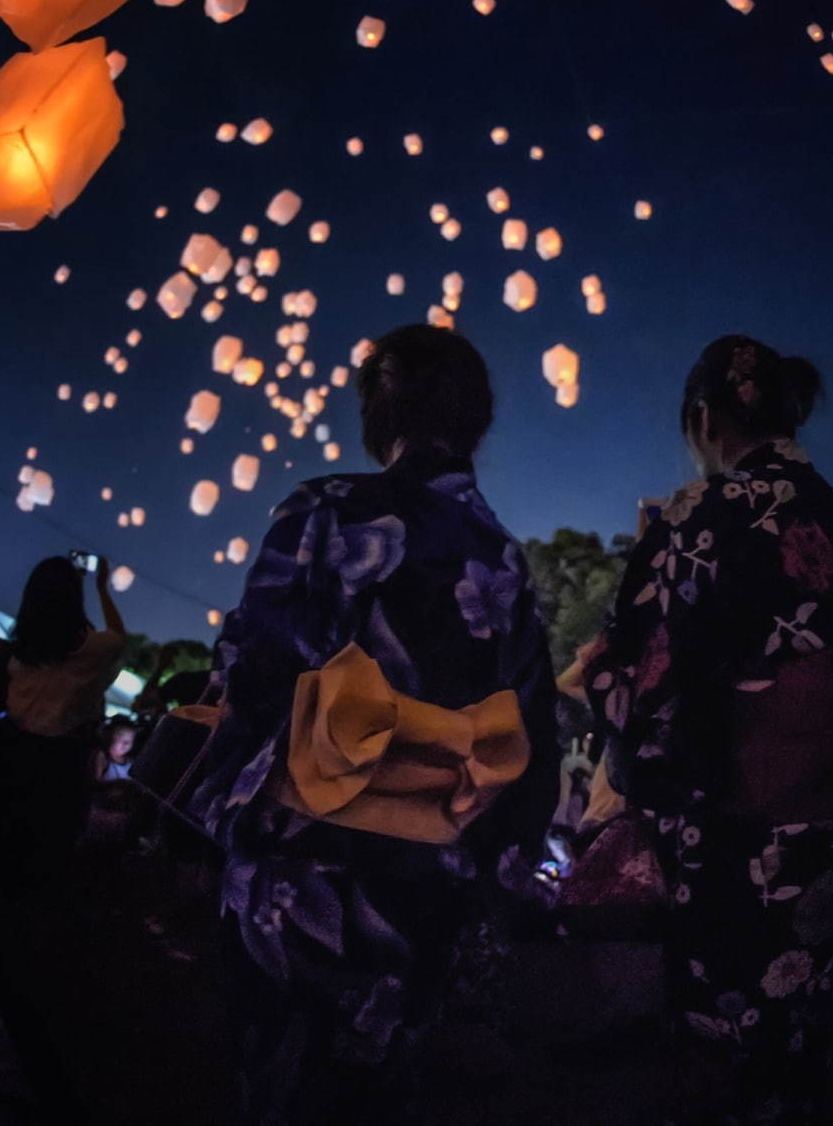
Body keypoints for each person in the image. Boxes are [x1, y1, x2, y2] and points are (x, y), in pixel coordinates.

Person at [192, 325, 559, 1124]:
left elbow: (253, 667)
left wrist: (218, 801)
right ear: (477, 423)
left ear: (378, 409)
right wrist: (499, 872)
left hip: (305, 864)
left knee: (282, 1083)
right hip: (429, 878)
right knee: (380, 1087)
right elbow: (530, 730)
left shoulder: (326, 509)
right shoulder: (504, 561)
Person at [586, 335, 833, 1124]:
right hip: (823, 821)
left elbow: (639, 668)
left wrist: (616, 717)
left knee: (723, 1031)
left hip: (726, 821)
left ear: (702, 419)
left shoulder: (705, 513)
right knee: (800, 1022)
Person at [0, 555, 126, 893]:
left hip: (10, 753)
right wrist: (102, 588)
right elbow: (118, 638)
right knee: (43, 854)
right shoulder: (88, 652)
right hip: (59, 762)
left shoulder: (18, 652)